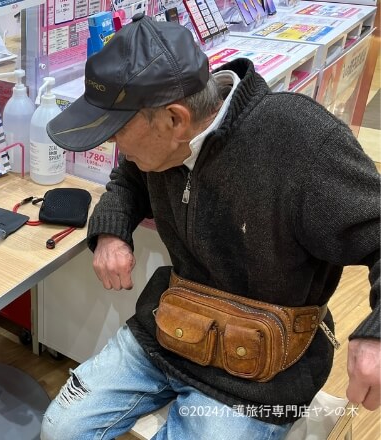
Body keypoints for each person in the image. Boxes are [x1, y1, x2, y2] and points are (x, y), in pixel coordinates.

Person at [41, 14, 380, 440]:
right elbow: (127, 181)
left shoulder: (302, 142)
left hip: (261, 373)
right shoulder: (156, 147)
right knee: (62, 429)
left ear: (175, 119)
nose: (116, 149)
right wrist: (111, 230)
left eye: (116, 134)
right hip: (170, 328)